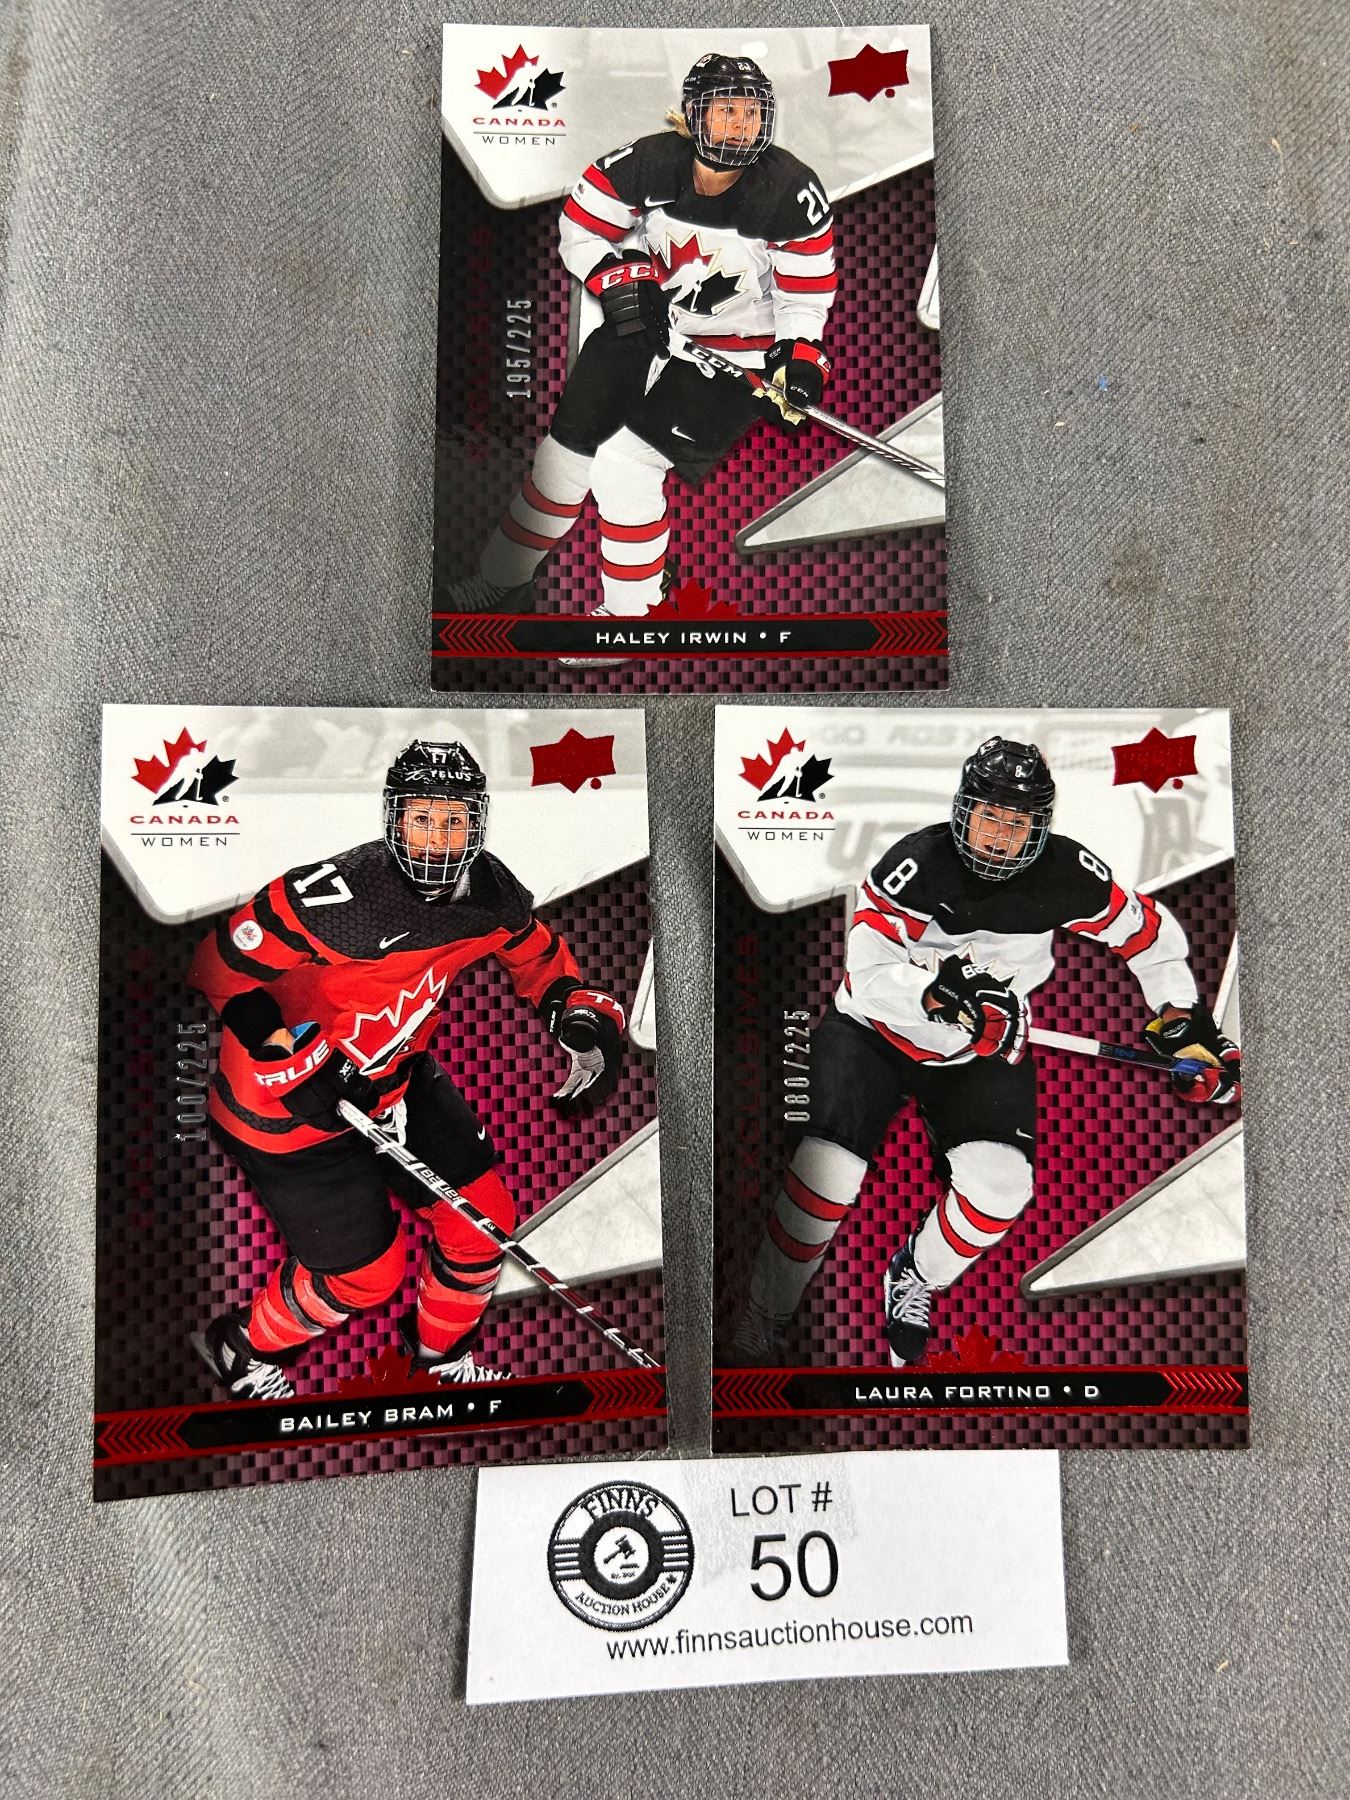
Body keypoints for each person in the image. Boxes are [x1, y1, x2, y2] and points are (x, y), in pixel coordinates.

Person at [727, 737, 1241, 1368]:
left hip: (979, 1050)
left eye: (1016, 823)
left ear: (1039, 828)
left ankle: (915, 1275)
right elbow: (867, 971)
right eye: (989, 817)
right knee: (828, 1173)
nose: (999, 837)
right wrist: (936, 992)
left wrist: (1180, 1018)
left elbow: (1149, 937)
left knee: (1001, 1189)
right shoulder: (915, 864)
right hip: (872, 1034)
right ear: (963, 810)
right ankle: (766, 1312)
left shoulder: (1070, 875)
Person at [187, 740, 627, 1397]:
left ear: (478, 824)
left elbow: (535, 955)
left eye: (453, 821)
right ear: (394, 820)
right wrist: (288, 1050)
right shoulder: (335, 899)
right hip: (284, 1113)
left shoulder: (490, 895)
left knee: (483, 1224)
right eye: (422, 820)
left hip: (395, 1078)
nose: (437, 840)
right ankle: (239, 1348)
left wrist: (575, 1012)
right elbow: (218, 967)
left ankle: (439, 1362)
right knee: (367, 1277)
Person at [446, 52, 837, 628]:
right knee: (564, 459)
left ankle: (634, 615)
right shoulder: (649, 163)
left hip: (734, 355)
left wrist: (798, 361)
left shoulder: (790, 190)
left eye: (752, 113)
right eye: (726, 110)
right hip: (649, 328)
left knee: (623, 464)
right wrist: (619, 280)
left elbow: (804, 297)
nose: (741, 125)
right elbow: (581, 227)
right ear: (694, 114)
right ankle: (504, 579)